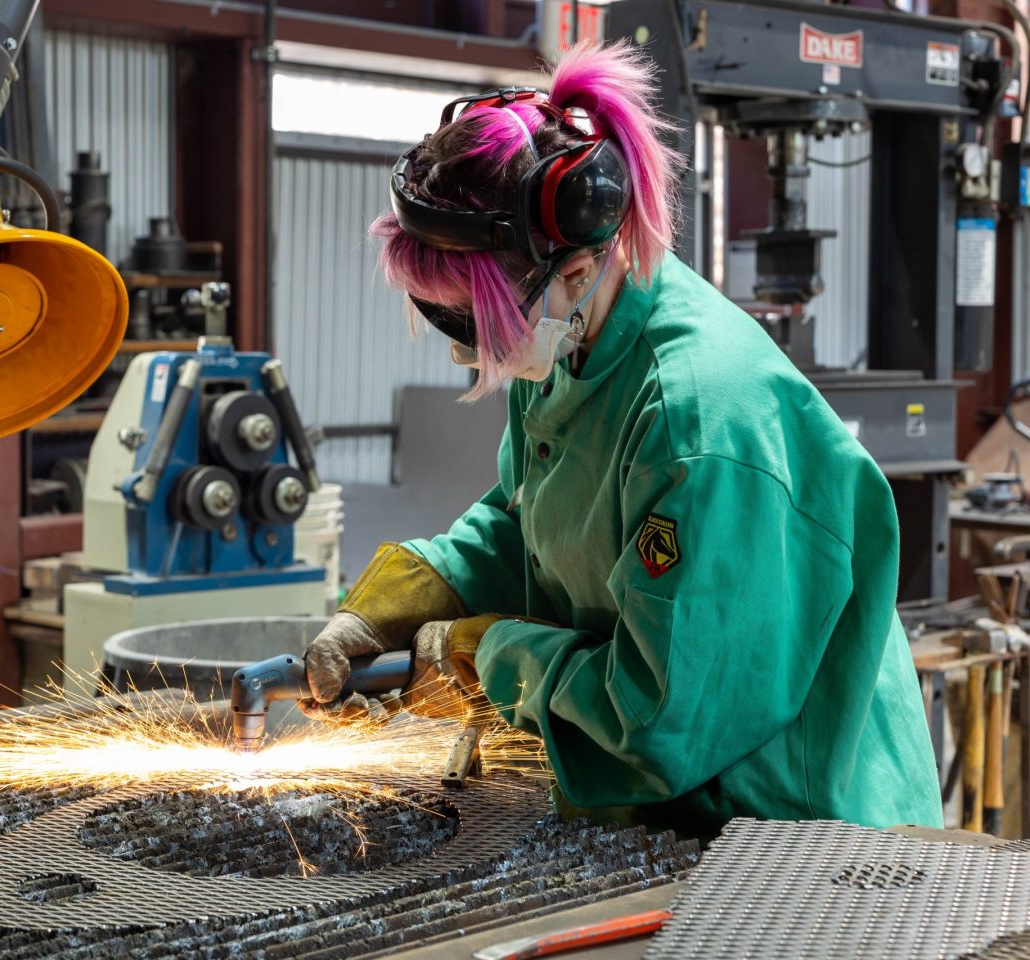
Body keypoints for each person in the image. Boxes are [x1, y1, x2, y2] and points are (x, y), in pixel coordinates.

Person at [299, 40, 942, 838]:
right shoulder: (573, 347)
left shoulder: (697, 419)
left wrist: (484, 655)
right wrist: (413, 597)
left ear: (577, 268)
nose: (467, 350)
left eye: (475, 320)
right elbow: (529, 520)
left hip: (797, 838)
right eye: (446, 320)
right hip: (673, 814)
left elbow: (661, 716)